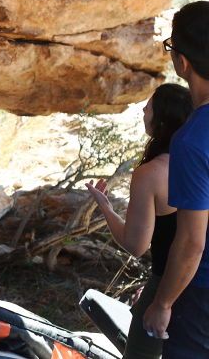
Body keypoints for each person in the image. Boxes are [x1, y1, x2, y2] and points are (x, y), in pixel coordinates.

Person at [87, 83, 192, 359]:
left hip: (168, 284)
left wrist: (105, 207)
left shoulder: (151, 174)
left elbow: (136, 245)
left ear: (161, 120)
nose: (144, 110)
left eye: (149, 106)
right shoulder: (198, 160)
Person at [142, 1, 209, 358]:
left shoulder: (193, 139)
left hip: (200, 297)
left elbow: (191, 244)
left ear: (182, 62)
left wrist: (163, 302)